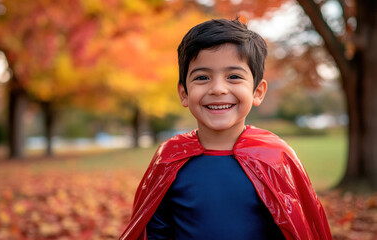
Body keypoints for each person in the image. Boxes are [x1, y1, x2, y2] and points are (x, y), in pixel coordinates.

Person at [120, 18, 332, 240]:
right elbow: (154, 230)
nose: (218, 89)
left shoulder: (276, 158)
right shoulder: (169, 157)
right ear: (184, 93)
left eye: (234, 77)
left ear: (258, 91)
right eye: (202, 77)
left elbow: (294, 229)